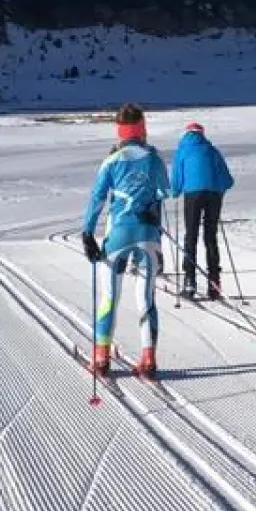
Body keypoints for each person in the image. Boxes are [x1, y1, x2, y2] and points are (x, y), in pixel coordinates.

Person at [82, 104, 172, 380]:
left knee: (110, 298)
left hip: (118, 235)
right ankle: (148, 359)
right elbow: (165, 191)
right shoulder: (154, 159)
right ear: (143, 129)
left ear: (119, 131)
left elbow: (97, 199)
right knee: (146, 299)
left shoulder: (111, 161)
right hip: (148, 235)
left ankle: (101, 358)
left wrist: (87, 232)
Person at [170, 122, 235, 300]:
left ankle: (189, 281)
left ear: (186, 134)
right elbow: (227, 179)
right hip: (214, 195)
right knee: (210, 237)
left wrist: (175, 191)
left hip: (192, 194)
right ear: (202, 134)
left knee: (191, 235)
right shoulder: (212, 150)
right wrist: (219, 188)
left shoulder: (182, 150)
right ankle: (214, 284)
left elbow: (176, 177)